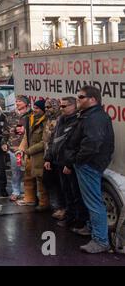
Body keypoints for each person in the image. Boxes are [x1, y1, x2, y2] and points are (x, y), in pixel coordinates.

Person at [69, 86, 114, 253]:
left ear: (92, 99)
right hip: (89, 163)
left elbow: (92, 143)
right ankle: (91, 228)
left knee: (94, 203)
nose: (78, 100)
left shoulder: (94, 118)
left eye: (81, 97)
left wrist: (78, 159)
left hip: (89, 164)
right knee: (90, 200)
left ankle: (101, 241)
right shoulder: (91, 115)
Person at [44, 96, 89, 230]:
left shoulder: (77, 121)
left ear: (74, 106)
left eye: (64, 106)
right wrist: (48, 158)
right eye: (61, 106)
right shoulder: (61, 120)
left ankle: (79, 221)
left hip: (69, 164)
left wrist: (69, 164)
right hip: (58, 161)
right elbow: (53, 140)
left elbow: (76, 145)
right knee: (66, 192)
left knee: (76, 194)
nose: (61, 108)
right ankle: (69, 218)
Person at [17, 100, 50, 211]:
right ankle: (29, 199)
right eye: (34, 107)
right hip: (30, 155)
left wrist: (29, 151)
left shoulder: (46, 121)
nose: (34, 110)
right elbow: (26, 137)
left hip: (40, 155)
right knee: (28, 178)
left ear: (42, 110)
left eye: (37, 108)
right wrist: (21, 149)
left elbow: (44, 142)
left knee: (40, 180)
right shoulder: (30, 119)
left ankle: (43, 203)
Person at [4, 95, 32, 201]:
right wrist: (4, 143)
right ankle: (16, 191)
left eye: (19, 101)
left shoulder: (31, 115)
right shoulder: (11, 115)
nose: (17, 103)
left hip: (27, 148)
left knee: (28, 171)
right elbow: (5, 131)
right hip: (14, 148)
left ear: (25, 103)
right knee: (16, 171)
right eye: (16, 101)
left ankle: (28, 192)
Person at [42, 98, 65, 219]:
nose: (47, 110)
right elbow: (46, 140)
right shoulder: (48, 119)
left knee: (59, 184)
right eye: (46, 107)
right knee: (48, 181)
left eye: (49, 107)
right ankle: (56, 206)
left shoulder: (60, 120)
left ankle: (61, 208)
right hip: (49, 156)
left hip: (58, 158)